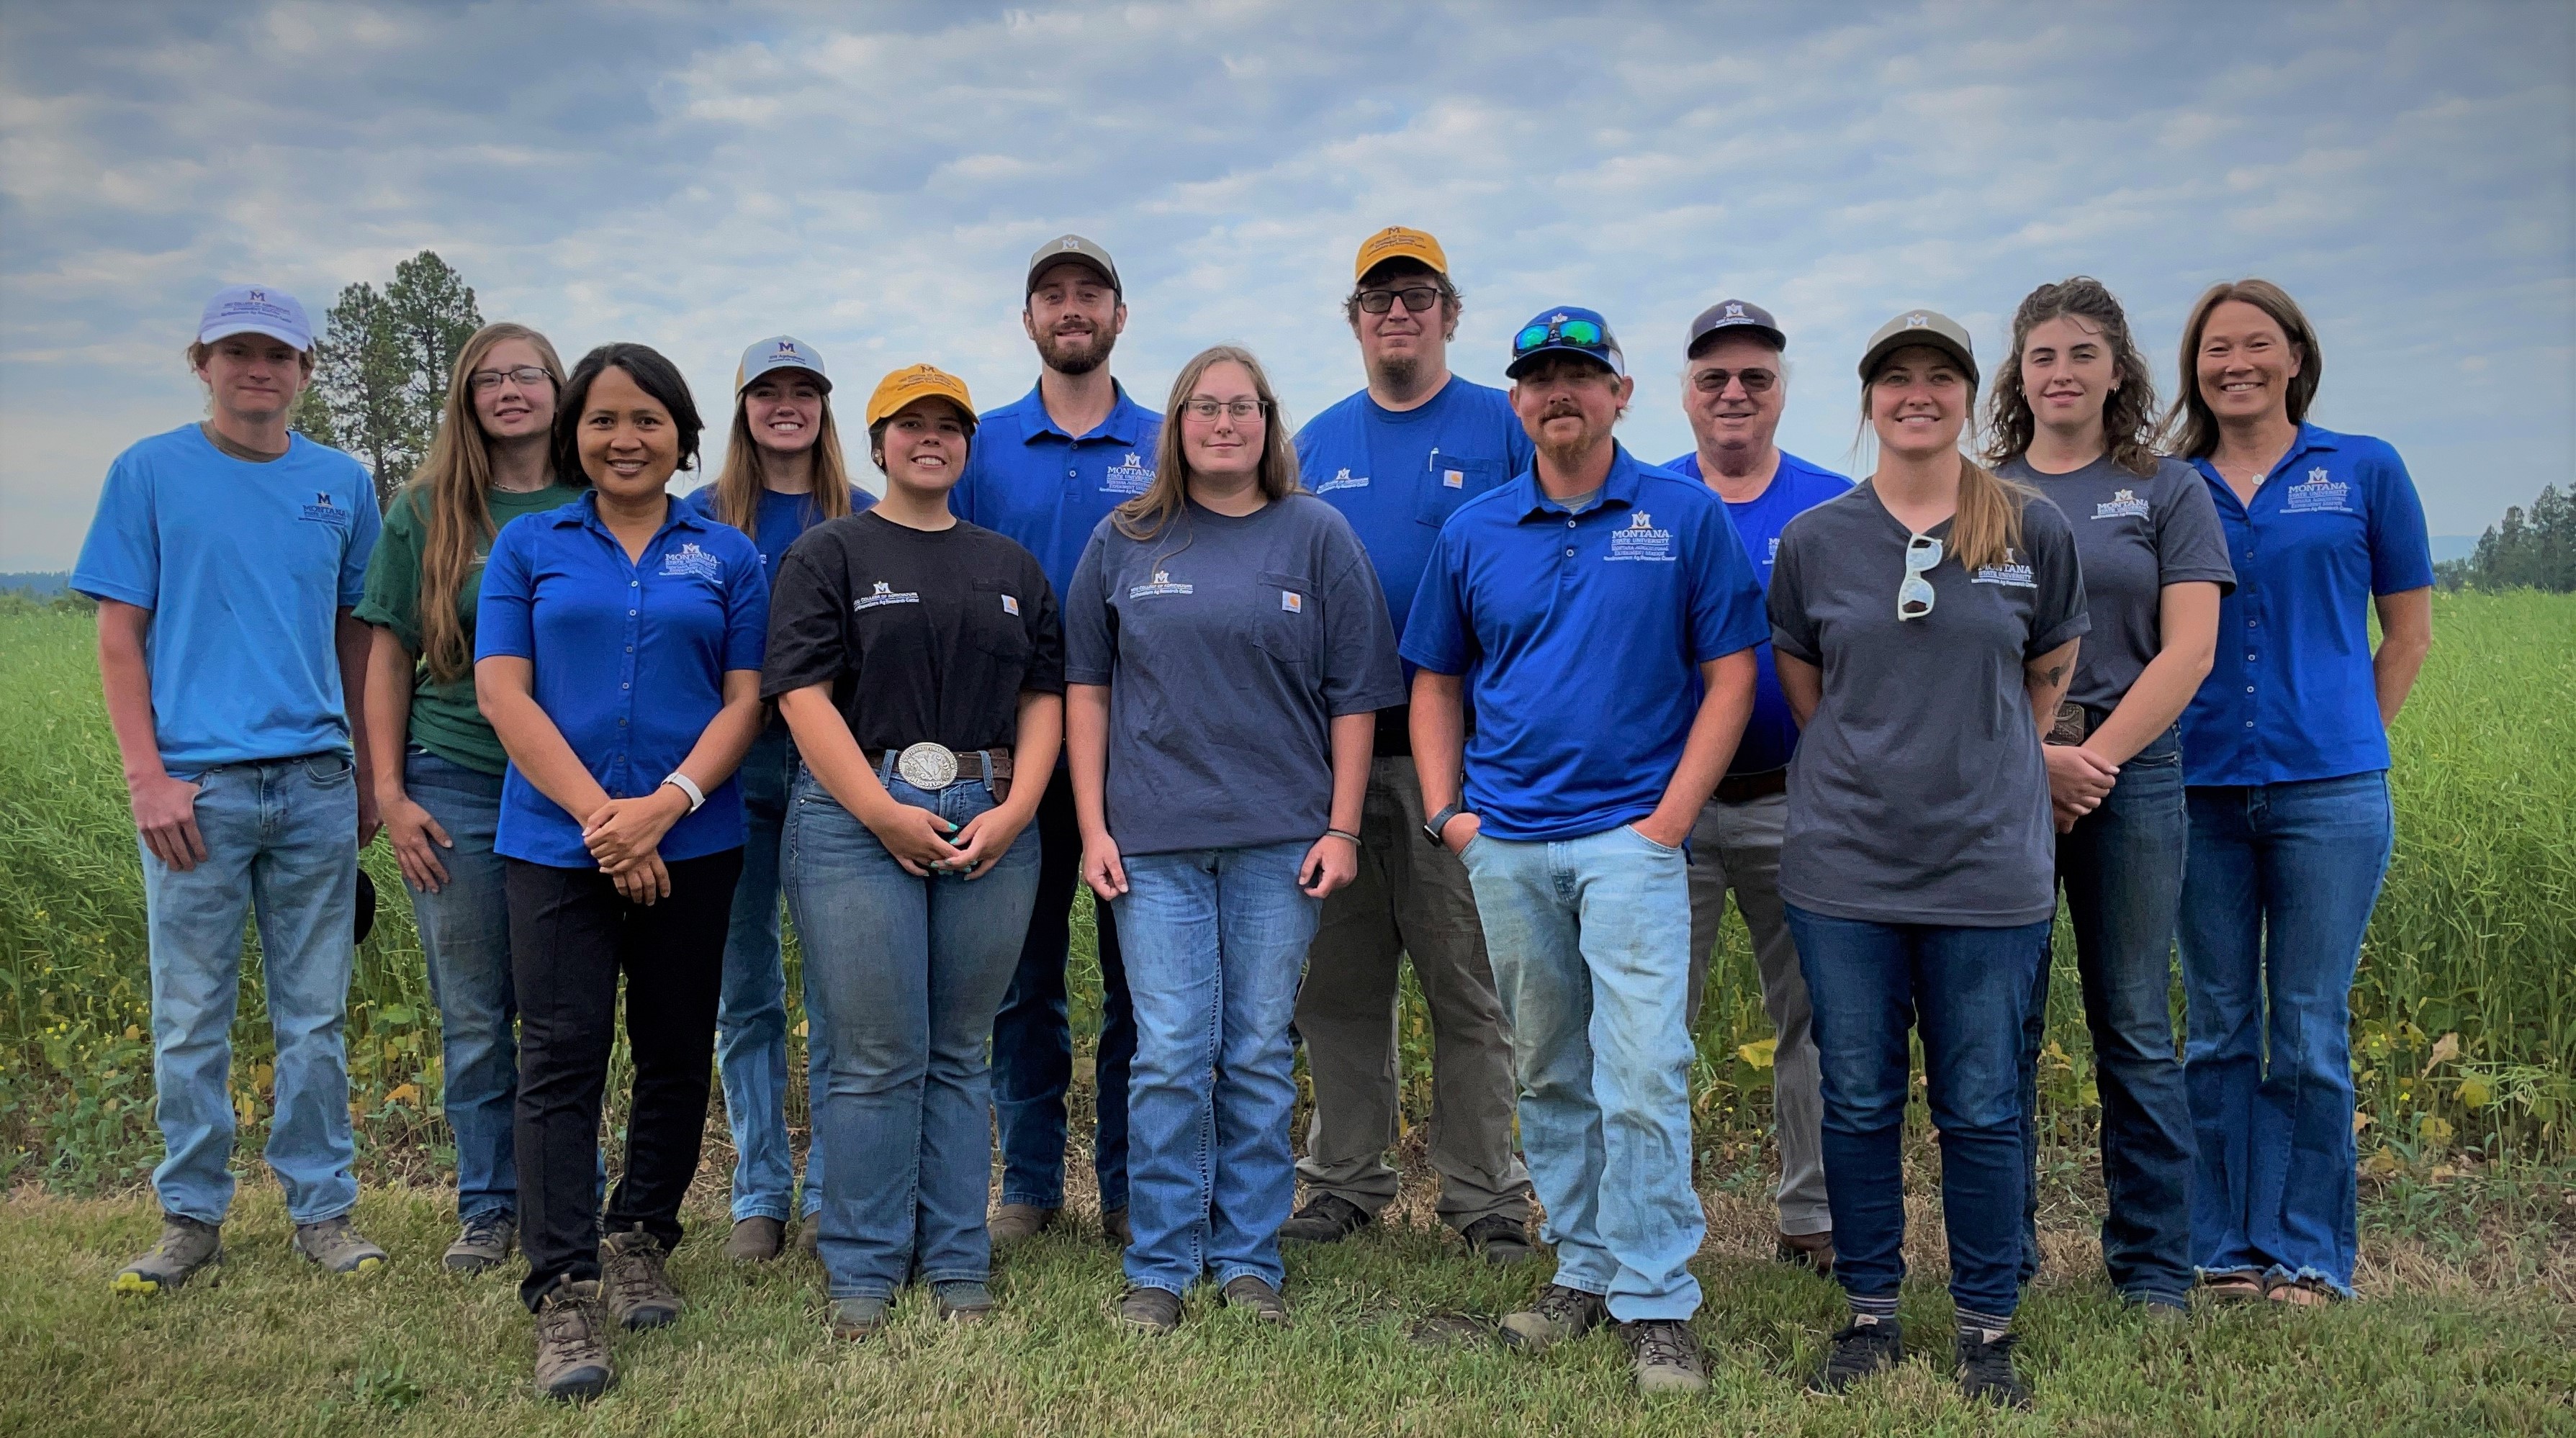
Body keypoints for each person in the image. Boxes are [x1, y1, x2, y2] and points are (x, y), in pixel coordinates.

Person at [1405, 307, 1765, 1398]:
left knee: (1644, 1067)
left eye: (1580, 373)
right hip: (1508, 840)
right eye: (1539, 377)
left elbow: (1732, 672)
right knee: (1551, 1065)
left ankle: (1656, 1298)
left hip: (1629, 840)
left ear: (1619, 392)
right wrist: (1448, 813)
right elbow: (1434, 679)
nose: (1559, 391)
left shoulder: (1680, 515)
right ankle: (1584, 1265)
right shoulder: (1475, 531)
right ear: (1516, 403)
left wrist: (1669, 817)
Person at [1768, 310, 2087, 1409]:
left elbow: (2044, 672)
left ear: (1967, 394)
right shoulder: (1815, 538)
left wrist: (1985, 758)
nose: (1916, 393)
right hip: (1844, 869)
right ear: (1866, 403)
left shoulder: (2028, 530)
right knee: (1856, 1094)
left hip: (1988, 868)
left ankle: (1985, 1324)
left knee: (1983, 1100)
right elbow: (1811, 690)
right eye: (1893, 378)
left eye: (1938, 377)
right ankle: (1867, 1311)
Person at [1065, 345, 1402, 1333]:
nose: (1224, 423)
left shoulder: (1317, 535)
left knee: (1254, 1050)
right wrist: (1092, 826)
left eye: (1242, 407)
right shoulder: (1126, 536)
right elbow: (1085, 687)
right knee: (1170, 1049)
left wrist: (1341, 825)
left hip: (1281, 842)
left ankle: (1248, 1255)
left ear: (1268, 422)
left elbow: (1355, 699)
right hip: (1154, 839)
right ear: (1175, 425)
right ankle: (1161, 1262)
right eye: (1203, 407)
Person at [81, 284, 389, 1294]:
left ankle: (323, 1210)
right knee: (188, 1014)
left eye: (279, 354)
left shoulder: (341, 482)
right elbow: (120, 631)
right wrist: (148, 779)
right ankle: (190, 1216)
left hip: (314, 784)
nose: (259, 369)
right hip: (195, 791)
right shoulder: (150, 472)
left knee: (314, 1016)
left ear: (306, 372)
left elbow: (360, 632)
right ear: (202, 362)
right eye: (237, 351)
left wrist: (368, 772)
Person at [474, 343, 768, 1400]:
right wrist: (607, 819)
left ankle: (642, 1230)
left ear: (680, 433)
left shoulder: (727, 554)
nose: (624, 438)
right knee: (559, 1056)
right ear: (575, 437)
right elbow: (504, 692)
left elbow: (744, 700)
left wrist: (664, 810)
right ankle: (561, 1286)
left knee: (678, 1046)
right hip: (556, 845)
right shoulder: (527, 546)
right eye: (602, 421)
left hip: (695, 837)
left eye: (646, 419)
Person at [770, 364, 1065, 1339]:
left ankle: (954, 1258)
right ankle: (860, 1262)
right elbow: (801, 693)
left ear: (967, 445)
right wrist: (878, 808)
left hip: (989, 809)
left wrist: (1020, 805)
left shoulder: (1010, 566)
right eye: (910, 425)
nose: (929, 439)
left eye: (948, 426)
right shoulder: (830, 553)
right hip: (858, 811)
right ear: (877, 439)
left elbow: (1044, 695)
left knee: (955, 1048)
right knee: (875, 1051)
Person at [2168, 279, 2432, 1307]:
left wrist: (2349, 734)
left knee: (2309, 1025)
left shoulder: (2361, 469)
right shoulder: (2171, 483)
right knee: (2216, 1024)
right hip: (2193, 791)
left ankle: (2311, 1253)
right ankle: (2221, 1245)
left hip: (2330, 794)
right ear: (2194, 367)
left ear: (2293, 355)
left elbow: (2405, 632)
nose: (2234, 362)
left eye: (2254, 343)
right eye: (2213, 348)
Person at [1282, 226, 1535, 1261]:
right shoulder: (1312, 444)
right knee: (1335, 991)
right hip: (1332, 757)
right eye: (1378, 298)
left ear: (1449, 312)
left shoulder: (1500, 423)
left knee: (1468, 988)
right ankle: (1345, 1178)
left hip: (1462, 757)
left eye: (1417, 295)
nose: (1398, 312)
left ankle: (1485, 1195)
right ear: (1353, 319)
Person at [1986, 278, 2232, 1316]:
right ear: (2018, 374)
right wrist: (2034, 757)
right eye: (2041, 356)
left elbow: (2190, 646)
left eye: (2081, 354)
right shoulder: (1979, 490)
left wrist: (2095, 761)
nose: (2060, 374)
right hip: (2000, 774)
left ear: (2117, 371)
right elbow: (1960, 653)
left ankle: (2150, 1266)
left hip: (2130, 775)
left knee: (2131, 1018)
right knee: (2001, 1019)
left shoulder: (2165, 488)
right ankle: (2003, 1250)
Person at [358, 321, 583, 1275]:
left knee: (566, 1013)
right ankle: (490, 1205)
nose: (509, 391)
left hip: (579, 792)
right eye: (487, 378)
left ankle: (568, 1197)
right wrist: (389, 791)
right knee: (477, 1013)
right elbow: (383, 656)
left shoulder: (597, 497)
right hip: (458, 786)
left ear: (556, 388)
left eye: (527, 374)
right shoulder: (424, 511)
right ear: (465, 397)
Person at [954, 235, 1156, 1246]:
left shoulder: (1169, 443)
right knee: (1018, 981)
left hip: (1143, 755)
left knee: (1141, 987)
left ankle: (1127, 1189)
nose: (1070, 308)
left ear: (1120, 316)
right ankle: (1029, 1184)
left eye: (1090, 293)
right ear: (1027, 319)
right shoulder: (979, 447)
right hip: (1011, 753)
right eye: (1051, 295)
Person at [1662, 299, 1852, 1278]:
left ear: (1781, 391)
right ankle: (1649, 1217)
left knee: (1816, 1017)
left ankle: (1813, 1216)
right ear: (1682, 394)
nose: (1732, 394)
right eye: (1712, 378)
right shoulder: (1641, 499)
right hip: (1666, 809)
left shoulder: (1834, 506)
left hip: (1799, 799)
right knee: (1651, 1019)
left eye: (1754, 378)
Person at [682, 335, 875, 1263]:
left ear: (825, 409)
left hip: (837, 776)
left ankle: (835, 1186)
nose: (786, 406)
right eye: (769, 392)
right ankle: (759, 1189)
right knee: (745, 991)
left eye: (804, 392)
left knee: (841, 992)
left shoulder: (865, 517)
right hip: (730, 776)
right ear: (744, 406)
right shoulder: (701, 519)